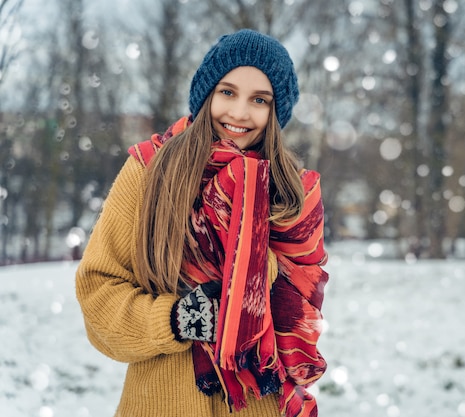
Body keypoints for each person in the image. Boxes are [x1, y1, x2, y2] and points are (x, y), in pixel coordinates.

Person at [75, 29, 329, 417]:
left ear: (275, 113)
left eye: (259, 100)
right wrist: (177, 320)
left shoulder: (292, 192)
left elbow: (299, 316)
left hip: (261, 406)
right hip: (163, 403)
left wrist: (257, 272)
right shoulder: (150, 173)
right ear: (206, 94)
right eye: (227, 92)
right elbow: (99, 298)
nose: (240, 113)